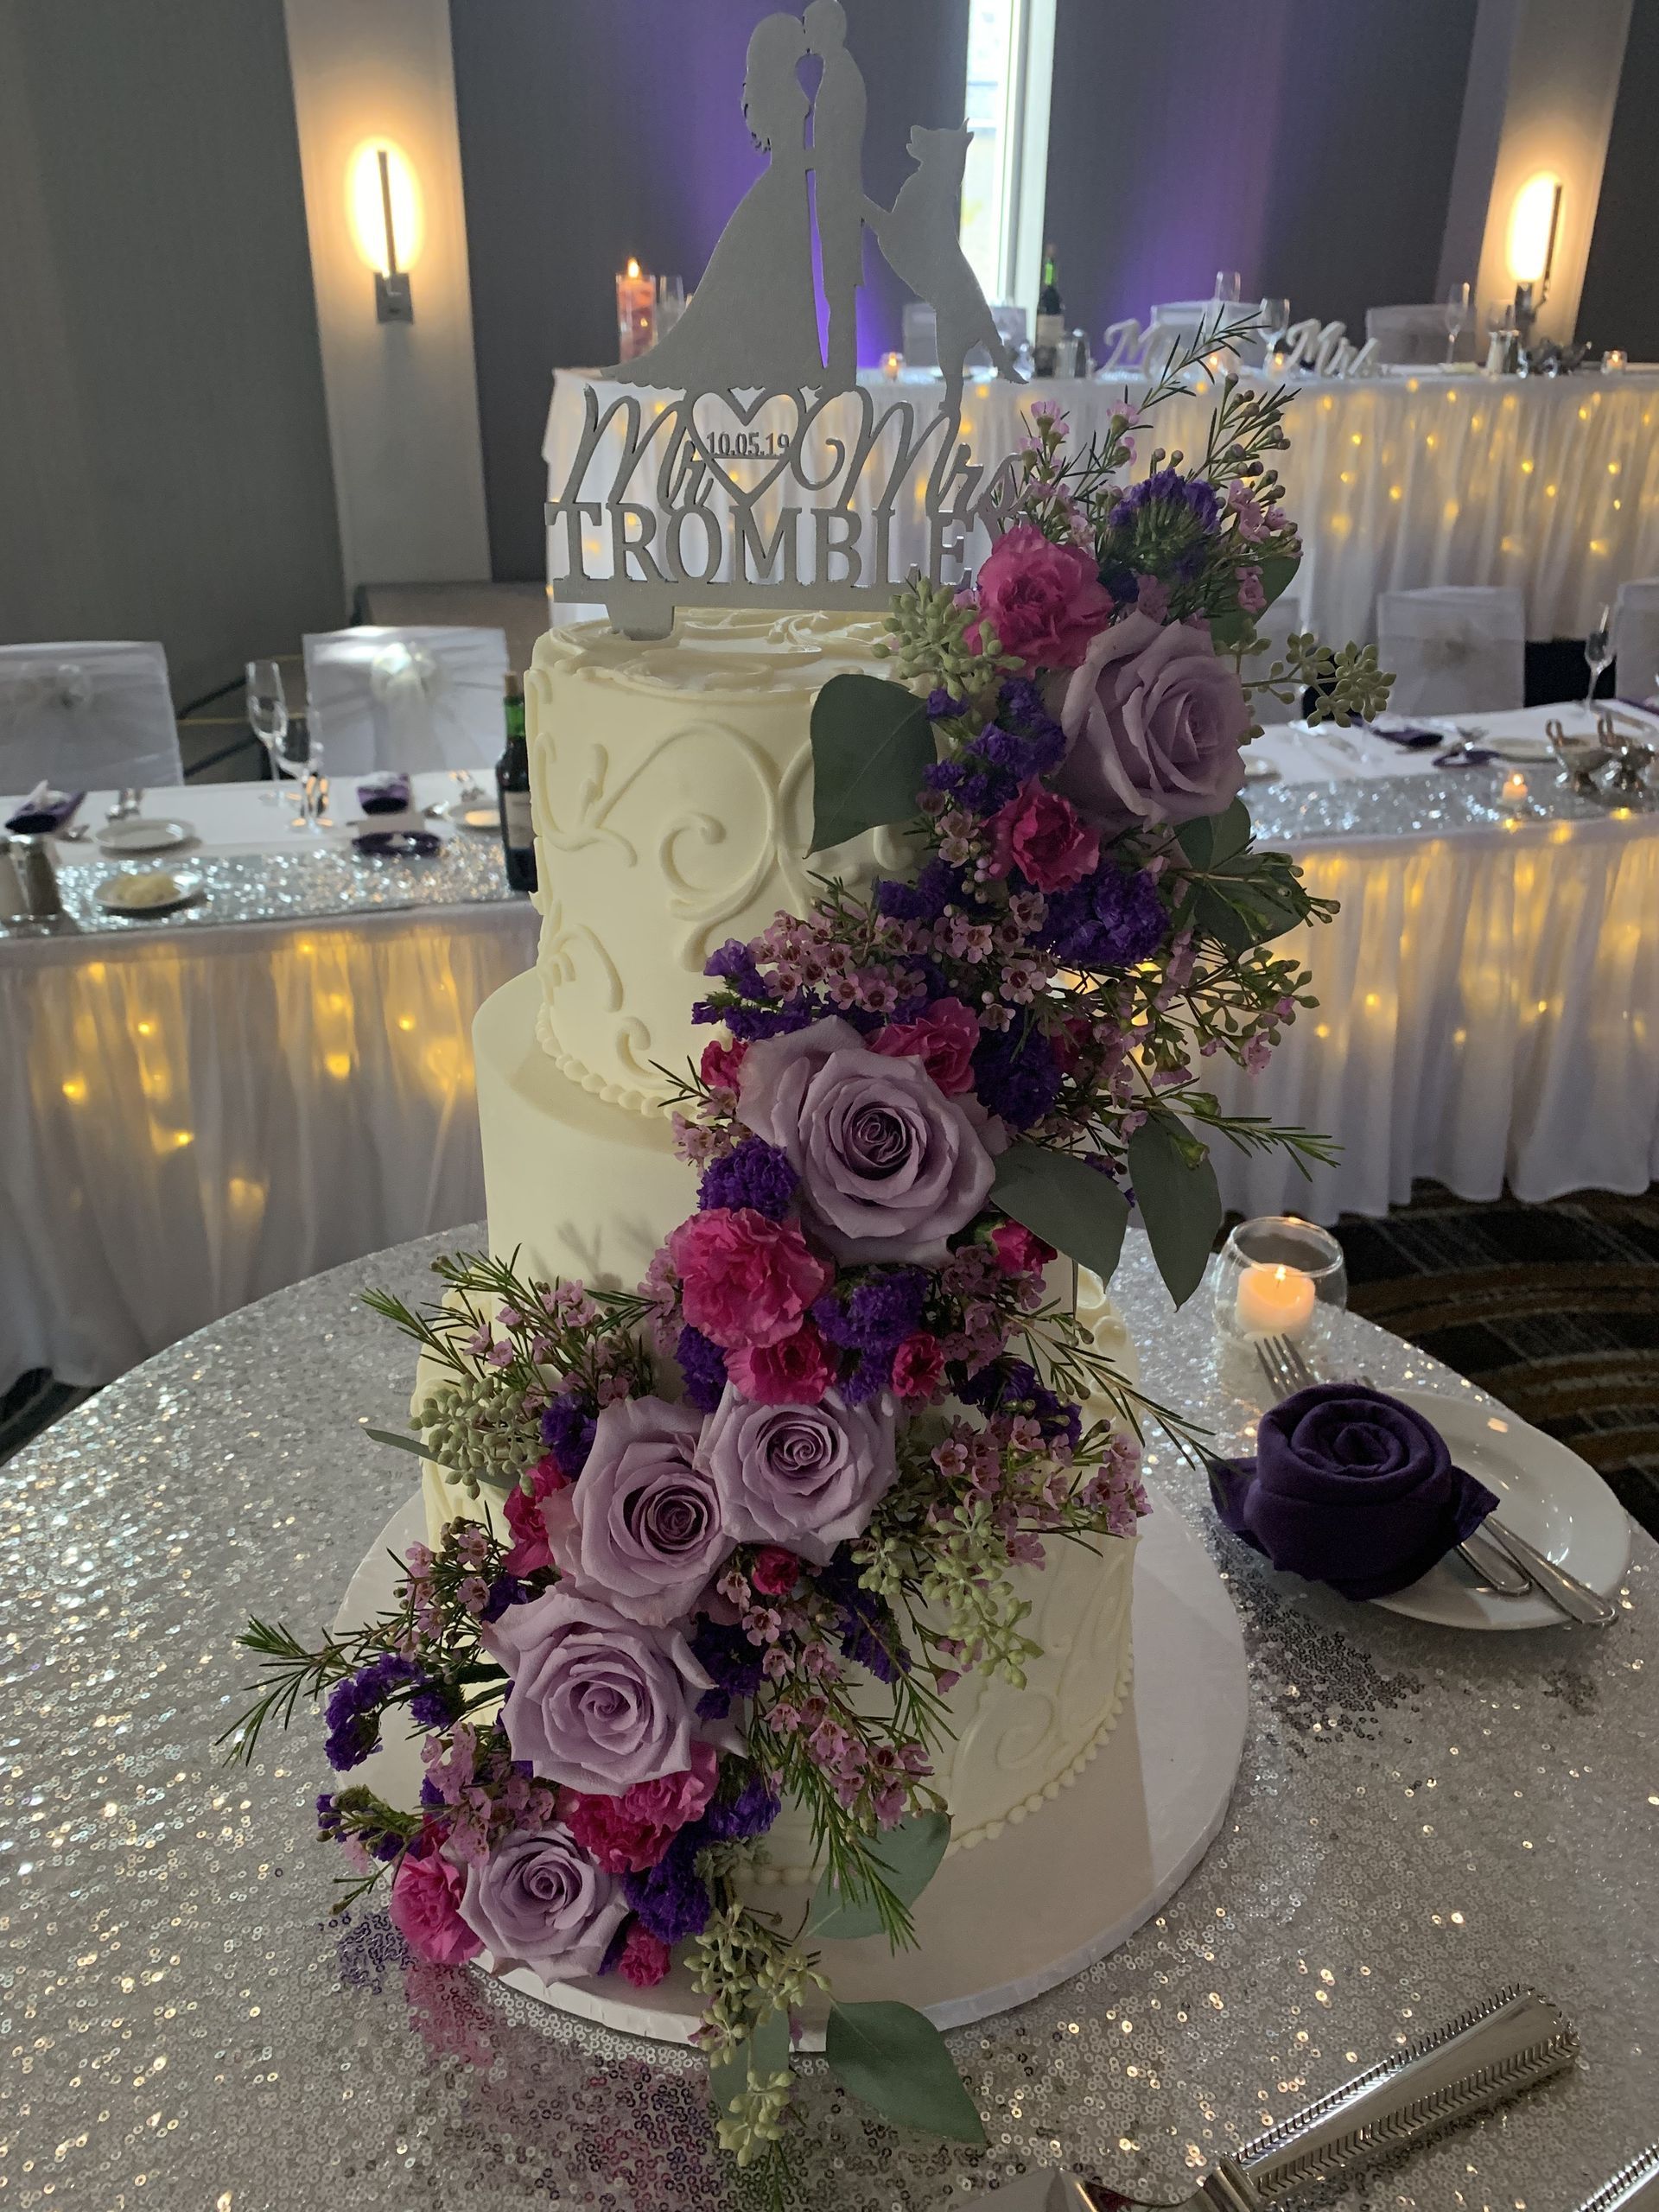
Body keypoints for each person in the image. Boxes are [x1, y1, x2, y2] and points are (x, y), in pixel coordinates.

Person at [608, 13, 823, 393]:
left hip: (787, 187)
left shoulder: (785, 94)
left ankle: (797, 359)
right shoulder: (787, 97)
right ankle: (794, 360)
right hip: (784, 188)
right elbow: (791, 150)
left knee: (788, 274)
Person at [803, 0, 867, 389]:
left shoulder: (842, 76)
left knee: (839, 286)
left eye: (810, 27)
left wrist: (801, 157)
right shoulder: (836, 73)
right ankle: (837, 367)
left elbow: (837, 146)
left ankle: (841, 370)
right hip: (835, 196)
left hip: (841, 198)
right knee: (835, 286)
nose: (807, 36)